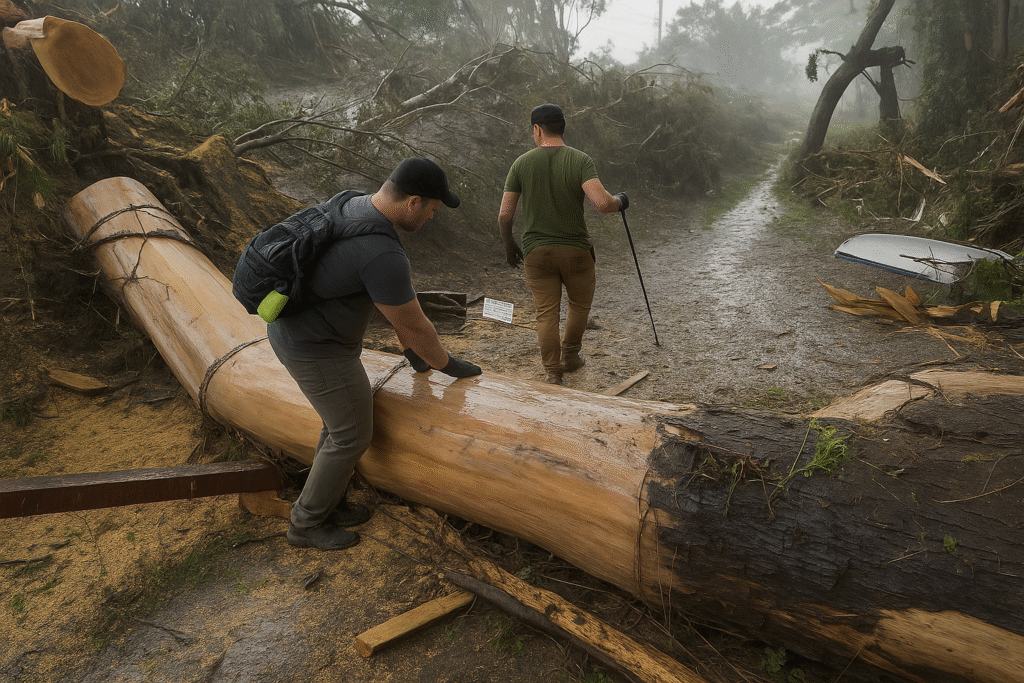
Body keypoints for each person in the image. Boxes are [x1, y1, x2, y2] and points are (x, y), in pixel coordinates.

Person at [268, 157, 482, 551]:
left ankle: (330, 502)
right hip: (316, 349)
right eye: (432, 210)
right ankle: (305, 524)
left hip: (299, 332)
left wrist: (413, 354)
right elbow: (416, 324)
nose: (432, 218)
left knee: (338, 424)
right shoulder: (381, 253)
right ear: (413, 202)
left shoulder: (352, 203)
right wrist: (445, 363)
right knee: (350, 435)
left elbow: (387, 304)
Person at [498, 103, 628, 385]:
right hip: (577, 253)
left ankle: (552, 372)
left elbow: (505, 214)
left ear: (537, 129)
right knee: (579, 307)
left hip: (537, 253)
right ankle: (570, 355)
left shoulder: (521, 163)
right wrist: (620, 201)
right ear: (563, 127)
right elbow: (603, 203)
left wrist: (509, 245)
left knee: (546, 312)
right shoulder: (580, 160)